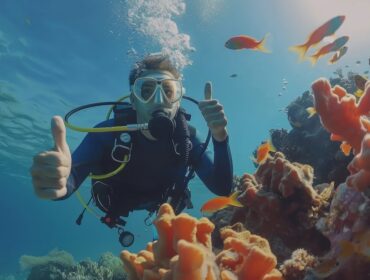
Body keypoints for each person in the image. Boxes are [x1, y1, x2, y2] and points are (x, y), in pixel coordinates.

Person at [30, 53, 233, 245]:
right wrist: (58, 181)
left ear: (178, 100)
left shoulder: (187, 139)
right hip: (115, 202)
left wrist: (219, 136)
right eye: (147, 91)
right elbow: (70, 179)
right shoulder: (106, 134)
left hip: (161, 202)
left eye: (169, 91)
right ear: (134, 101)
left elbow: (222, 188)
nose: (159, 99)